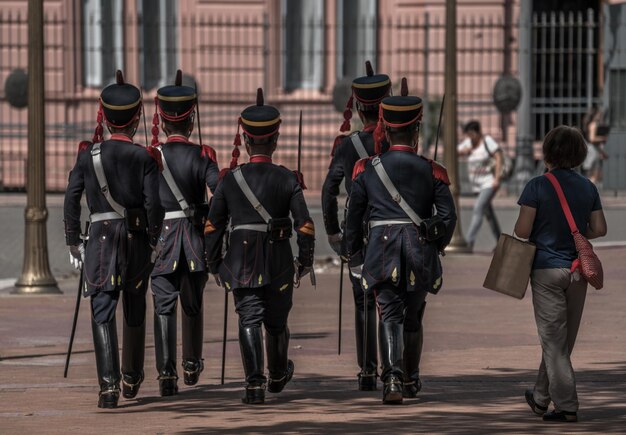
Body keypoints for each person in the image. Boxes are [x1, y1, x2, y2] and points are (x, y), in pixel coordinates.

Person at [345, 88, 457, 404]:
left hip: (381, 250)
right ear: (417, 128)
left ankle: (392, 378)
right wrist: (439, 244)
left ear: (387, 128)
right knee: (414, 315)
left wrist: (353, 254)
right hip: (420, 250)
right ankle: (411, 378)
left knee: (389, 314)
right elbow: (448, 216)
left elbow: (354, 217)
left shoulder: (366, 168)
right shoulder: (432, 169)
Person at [204, 88, 315, 405]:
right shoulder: (286, 178)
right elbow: (304, 224)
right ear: (276, 139)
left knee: (248, 318)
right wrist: (304, 261)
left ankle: (255, 384)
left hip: (240, 260)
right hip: (279, 260)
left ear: (247, 140)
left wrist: (214, 263)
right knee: (277, 321)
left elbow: (213, 226)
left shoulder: (229, 179)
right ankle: (277, 375)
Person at [63, 71, 164, 408]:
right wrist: (152, 239)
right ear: (136, 120)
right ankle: (132, 376)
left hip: (101, 240)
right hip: (134, 239)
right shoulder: (143, 158)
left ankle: (108, 388)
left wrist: (72, 239)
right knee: (135, 304)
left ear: (103, 117)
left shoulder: (87, 156)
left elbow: (71, 198)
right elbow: (154, 204)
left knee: (102, 308)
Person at [515, 125, 607, 423]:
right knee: (561, 342)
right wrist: (578, 233)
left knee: (554, 341)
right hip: (578, 271)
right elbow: (600, 229)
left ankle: (567, 406)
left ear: (548, 152)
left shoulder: (537, 186)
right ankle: (541, 398)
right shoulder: (588, 187)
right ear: (580, 154)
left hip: (545, 270)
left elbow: (522, 230)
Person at [148, 70, 220, 396]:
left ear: (163, 122)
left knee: (164, 305)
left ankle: (166, 374)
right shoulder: (203, 155)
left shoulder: (152, 156)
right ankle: (191, 363)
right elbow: (218, 195)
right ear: (191, 121)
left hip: (162, 239)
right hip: (193, 239)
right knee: (193, 302)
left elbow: (143, 198)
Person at [321, 60, 391, 391]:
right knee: (394, 301)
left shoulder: (347, 146)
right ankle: (397, 369)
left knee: (363, 301)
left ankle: (366, 371)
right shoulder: (398, 140)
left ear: (359, 106)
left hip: (359, 231)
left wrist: (334, 231)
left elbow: (329, 189)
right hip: (394, 229)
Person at [457, 120, 502, 251]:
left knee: (478, 208)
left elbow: (498, 156)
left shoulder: (487, 141)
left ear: (478, 132)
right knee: (489, 215)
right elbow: (454, 152)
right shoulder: (468, 143)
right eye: (468, 134)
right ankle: (501, 243)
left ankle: (469, 242)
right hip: (476, 186)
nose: (470, 137)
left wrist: (497, 179)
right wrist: (465, 151)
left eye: (472, 134)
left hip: (489, 183)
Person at [581, 107, 609, 184]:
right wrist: (603, 138)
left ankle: (589, 188)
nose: (600, 116)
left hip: (593, 149)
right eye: (599, 115)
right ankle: (589, 189)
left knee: (593, 173)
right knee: (593, 173)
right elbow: (592, 138)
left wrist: (602, 152)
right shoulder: (593, 125)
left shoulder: (591, 124)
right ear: (595, 115)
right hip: (592, 150)